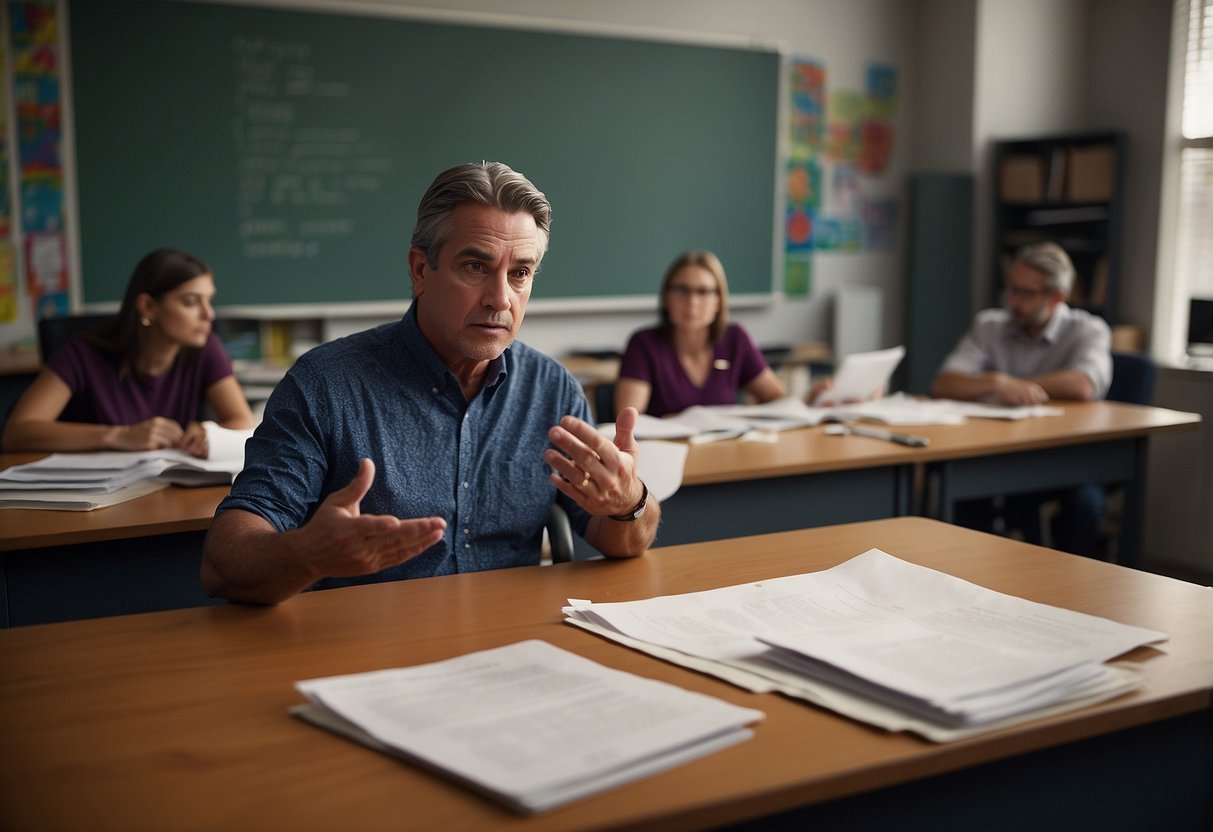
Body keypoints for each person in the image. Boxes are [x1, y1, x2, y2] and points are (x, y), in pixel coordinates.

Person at [201, 162, 658, 605]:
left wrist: (629, 503)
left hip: (513, 639)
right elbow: (223, 561)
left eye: (520, 273)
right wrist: (306, 554)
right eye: (475, 267)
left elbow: (617, 538)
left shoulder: (550, 388)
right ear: (420, 270)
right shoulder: (326, 385)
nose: (501, 299)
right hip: (371, 646)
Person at [931, 241, 1113, 556]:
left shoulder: (1088, 330)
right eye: (1010, 289)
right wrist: (995, 382)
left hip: (1065, 459)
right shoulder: (990, 325)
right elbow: (944, 383)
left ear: (1056, 297)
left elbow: (1084, 384)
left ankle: (1066, 583)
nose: (1012, 301)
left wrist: (1019, 386)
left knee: (1084, 505)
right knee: (965, 493)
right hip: (996, 455)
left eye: (1025, 293)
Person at [2, 248, 254, 457]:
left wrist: (210, 434)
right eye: (191, 302)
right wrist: (119, 435)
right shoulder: (82, 354)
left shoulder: (205, 347)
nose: (209, 314)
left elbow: (242, 421)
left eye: (209, 300)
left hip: (165, 486)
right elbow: (17, 433)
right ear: (148, 306)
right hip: (95, 492)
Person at [615, 250, 830, 418]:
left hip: (724, 451)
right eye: (681, 290)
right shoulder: (643, 344)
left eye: (703, 291)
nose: (692, 301)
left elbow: (778, 401)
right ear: (667, 297)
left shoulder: (734, 339)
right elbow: (629, 421)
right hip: (667, 454)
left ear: (718, 301)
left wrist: (810, 401)